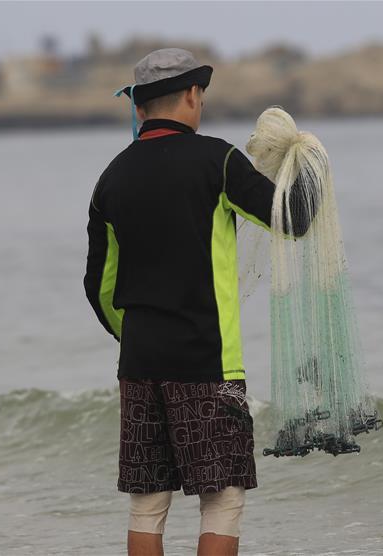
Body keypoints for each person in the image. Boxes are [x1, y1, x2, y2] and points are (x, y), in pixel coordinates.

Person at [83, 48, 316, 556]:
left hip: (139, 364)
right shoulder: (218, 161)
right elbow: (293, 218)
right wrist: (310, 162)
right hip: (206, 362)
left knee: (147, 503)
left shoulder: (112, 177)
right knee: (222, 497)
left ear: (139, 108)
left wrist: (137, 333)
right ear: (192, 95)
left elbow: (99, 287)